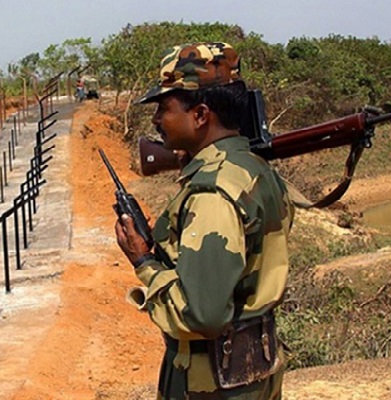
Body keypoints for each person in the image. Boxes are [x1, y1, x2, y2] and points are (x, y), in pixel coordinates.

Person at [114, 42, 295, 399]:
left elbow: (202, 315)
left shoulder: (212, 193)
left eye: (164, 108)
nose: (156, 120)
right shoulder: (254, 168)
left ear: (200, 115)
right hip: (255, 370)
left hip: (211, 383)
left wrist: (144, 261)